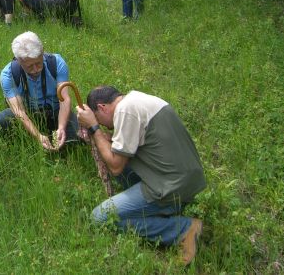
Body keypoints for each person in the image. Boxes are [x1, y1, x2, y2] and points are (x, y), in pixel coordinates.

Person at [76, 86, 206, 266]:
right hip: (184, 182)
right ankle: (162, 210)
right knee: (116, 158)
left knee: (98, 218)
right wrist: (105, 138)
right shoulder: (136, 100)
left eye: (99, 118)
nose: (106, 125)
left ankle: (182, 229)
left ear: (102, 107)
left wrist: (94, 128)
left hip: (169, 187)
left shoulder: (125, 111)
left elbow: (115, 166)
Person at [0, 31, 82, 151]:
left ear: (42, 52)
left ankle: (57, 136)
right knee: (3, 119)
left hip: (55, 112)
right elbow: (19, 111)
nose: (35, 70)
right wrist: (38, 136)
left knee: (78, 136)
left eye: (38, 63)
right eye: (29, 66)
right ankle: (29, 145)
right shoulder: (8, 75)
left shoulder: (56, 63)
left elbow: (64, 99)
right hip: (29, 114)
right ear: (19, 60)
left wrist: (61, 127)